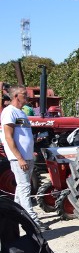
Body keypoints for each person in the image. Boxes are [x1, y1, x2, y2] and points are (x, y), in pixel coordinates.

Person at [0, 85, 49, 231]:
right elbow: (8, 136)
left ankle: (13, 216)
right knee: (25, 187)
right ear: (16, 96)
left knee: (21, 189)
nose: (27, 97)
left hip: (27, 156)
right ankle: (33, 222)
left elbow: (23, 134)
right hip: (19, 158)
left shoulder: (21, 113)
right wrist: (20, 158)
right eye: (24, 95)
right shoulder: (10, 112)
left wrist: (34, 143)